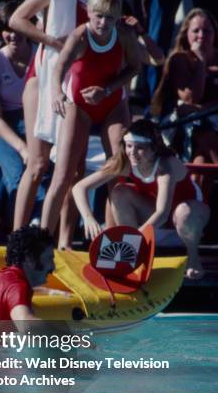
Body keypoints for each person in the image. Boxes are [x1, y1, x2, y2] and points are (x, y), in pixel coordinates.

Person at [9, 0, 114, 231]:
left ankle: (62, 244)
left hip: (76, 84)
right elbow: (17, 19)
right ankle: (17, 240)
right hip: (43, 78)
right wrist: (53, 41)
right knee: (38, 163)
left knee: (73, 170)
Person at [43, 0, 140, 236]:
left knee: (118, 171)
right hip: (80, 105)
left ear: (117, 17)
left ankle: (118, 241)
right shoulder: (80, 36)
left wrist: (107, 90)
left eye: (109, 17)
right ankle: (43, 240)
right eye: (98, 15)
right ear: (88, 12)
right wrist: (57, 93)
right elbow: (59, 69)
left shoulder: (124, 35)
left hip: (112, 104)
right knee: (64, 176)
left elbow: (134, 67)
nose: (103, 22)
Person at [72, 119, 210, 279]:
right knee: (119, 192)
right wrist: (88, 218)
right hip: (158, 222)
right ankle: (133, 256)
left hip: (190, 218)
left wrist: (136, 237)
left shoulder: (166, 166)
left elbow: (162, 213)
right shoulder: (125, 162)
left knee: (183, 212)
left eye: (140, 148)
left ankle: (193, 260)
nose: (132, 152)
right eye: (129, 146)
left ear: (153, 148)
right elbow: (79, 188)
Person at [0, 1, 50, 232]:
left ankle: (22, 221)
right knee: (17, 174)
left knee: (42, 169)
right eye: (7, 29)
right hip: (6, 125)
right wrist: (22, 148)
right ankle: (27, 225)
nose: (13, 35)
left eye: (19, 28)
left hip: (38, 119)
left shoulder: (42, 57)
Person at [151, 8, 218, 198]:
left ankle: (197, 217)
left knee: (202, 163)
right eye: (196, 31)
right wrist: (201, 64)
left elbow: (194, 105)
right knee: (205, 134)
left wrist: (203, 109)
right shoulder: (179, 59)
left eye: (207, 31)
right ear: (186, 33)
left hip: (207, 125)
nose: (201, 36)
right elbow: (190, 99)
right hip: (184, 128)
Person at [0, 225, 54, 321]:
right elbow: (26, 324)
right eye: (49, 258)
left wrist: (48, 292)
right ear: (29, 258)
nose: (53, 267)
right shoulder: (17, 285)